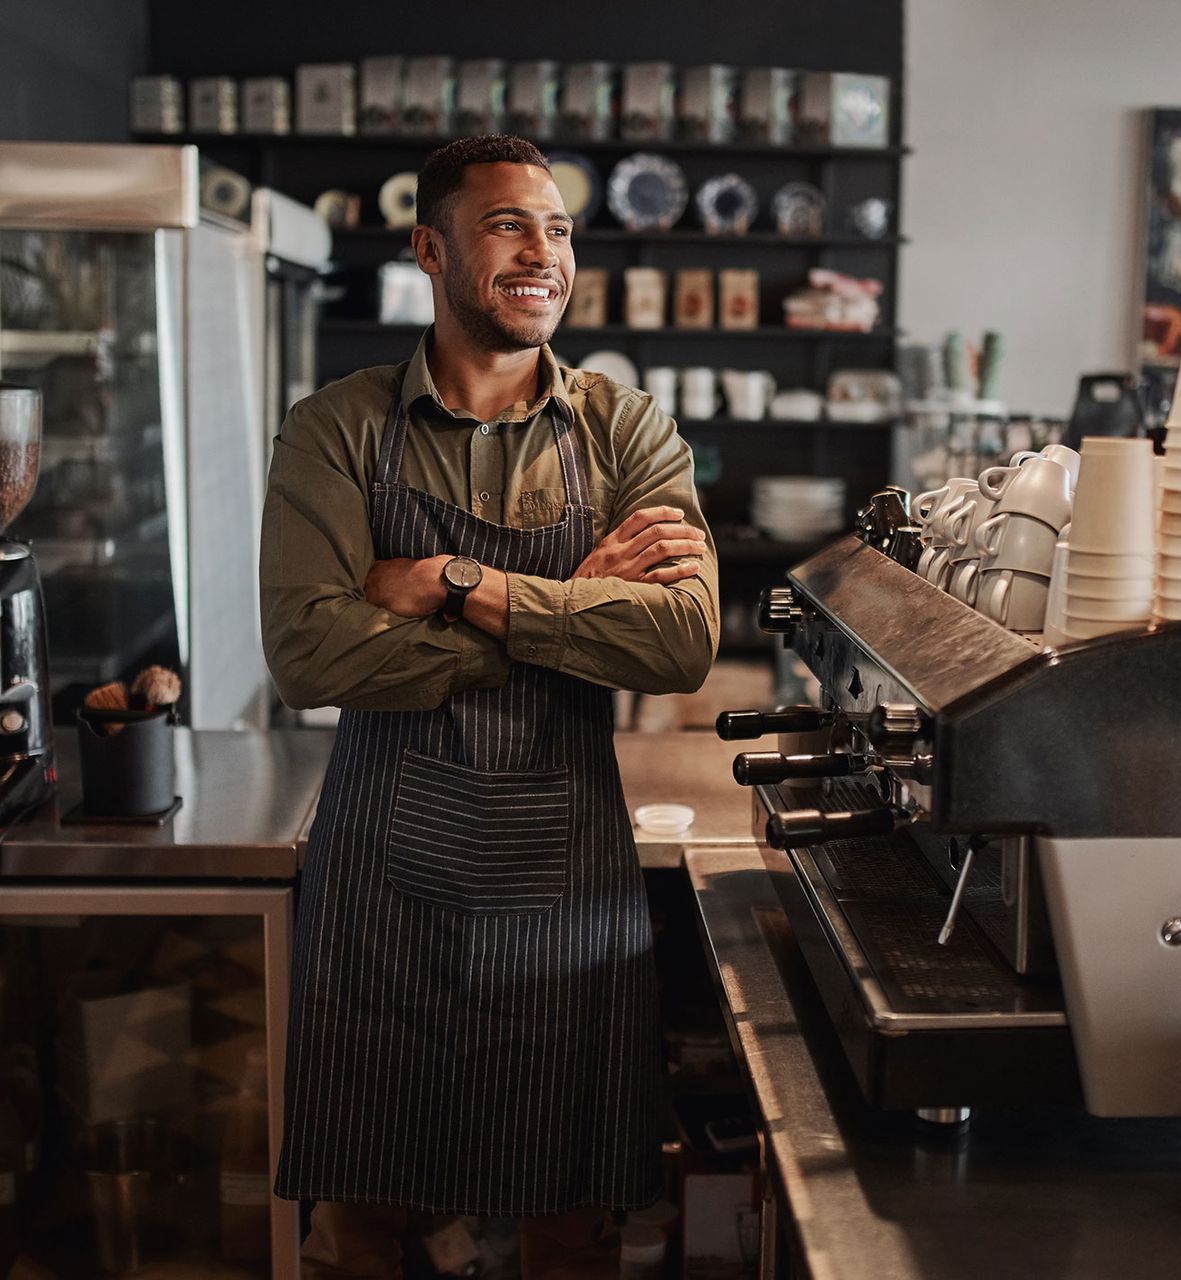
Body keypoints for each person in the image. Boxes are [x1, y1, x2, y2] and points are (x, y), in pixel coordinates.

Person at [259, 134, 719, 1279]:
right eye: (509, 223)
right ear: (431, 248)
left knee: (571, 1223)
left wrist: (455, 586)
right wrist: (565, 618)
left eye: (558, 228)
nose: (543, 252)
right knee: (361, 1215)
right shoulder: (339, 427)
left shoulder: (627, 429)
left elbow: (683, 639)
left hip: (565, 879)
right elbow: (308, 652)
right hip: (383, 880)